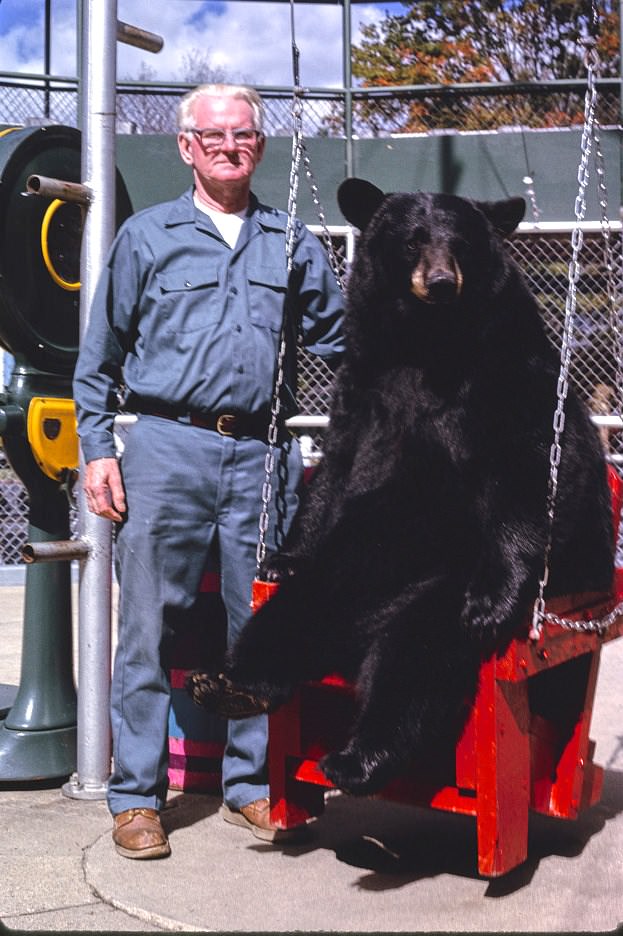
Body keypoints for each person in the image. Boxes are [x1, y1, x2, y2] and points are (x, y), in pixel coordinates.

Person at [73, 83, 344, 859]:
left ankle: (251, 788)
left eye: (245, 135)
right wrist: (99, 450)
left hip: (262, 457)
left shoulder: (290, 242)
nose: (231, 146)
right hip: (165, 448)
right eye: (214, 135)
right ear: (186, 145)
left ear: (260, 146)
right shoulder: (147, 238)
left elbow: (340, 342)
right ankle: (135, 799)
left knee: (260, 627)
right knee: (147, 630)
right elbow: (100, 360)